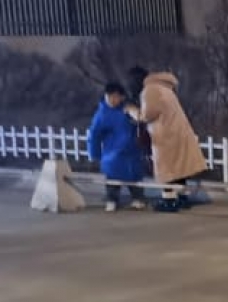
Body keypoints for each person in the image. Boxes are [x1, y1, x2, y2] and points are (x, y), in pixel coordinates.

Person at [127, 71, 207, 208]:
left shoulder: (150, 90)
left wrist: (131, 110)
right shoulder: (165, 88)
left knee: (167, 170)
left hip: (165, 136)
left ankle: (169, 200)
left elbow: (147, 115)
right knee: (179, 169)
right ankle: (182, 197)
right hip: (178, 132)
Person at [87, 82, 148, 212]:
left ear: (121, 97)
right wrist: (94, 154)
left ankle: (138, 198)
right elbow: (94, 136)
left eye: (116, 96)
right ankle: (112, 199)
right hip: (112, 152)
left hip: (132, 150)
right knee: (112, 177)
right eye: (110, 96)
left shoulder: (128, 109)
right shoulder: (102, 114)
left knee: (135, 176)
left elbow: (140, 123)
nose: (112, 100)